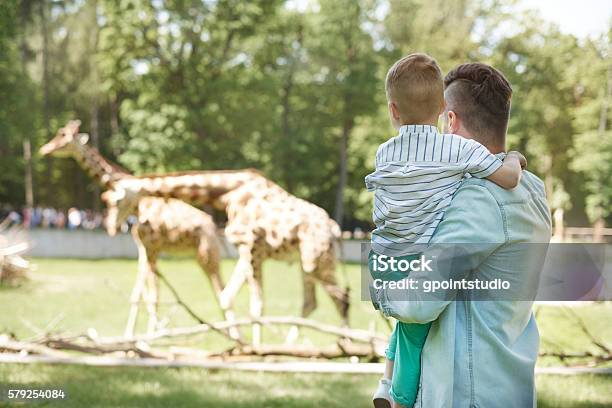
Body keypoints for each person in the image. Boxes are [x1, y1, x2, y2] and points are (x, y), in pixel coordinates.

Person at [371, 62, 551, 407]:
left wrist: (381, 289)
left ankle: (391, 390)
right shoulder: (534, 189)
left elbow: (419, 302)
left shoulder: (479, 198)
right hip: (508, 379)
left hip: (466, 391)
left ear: (450, 120)